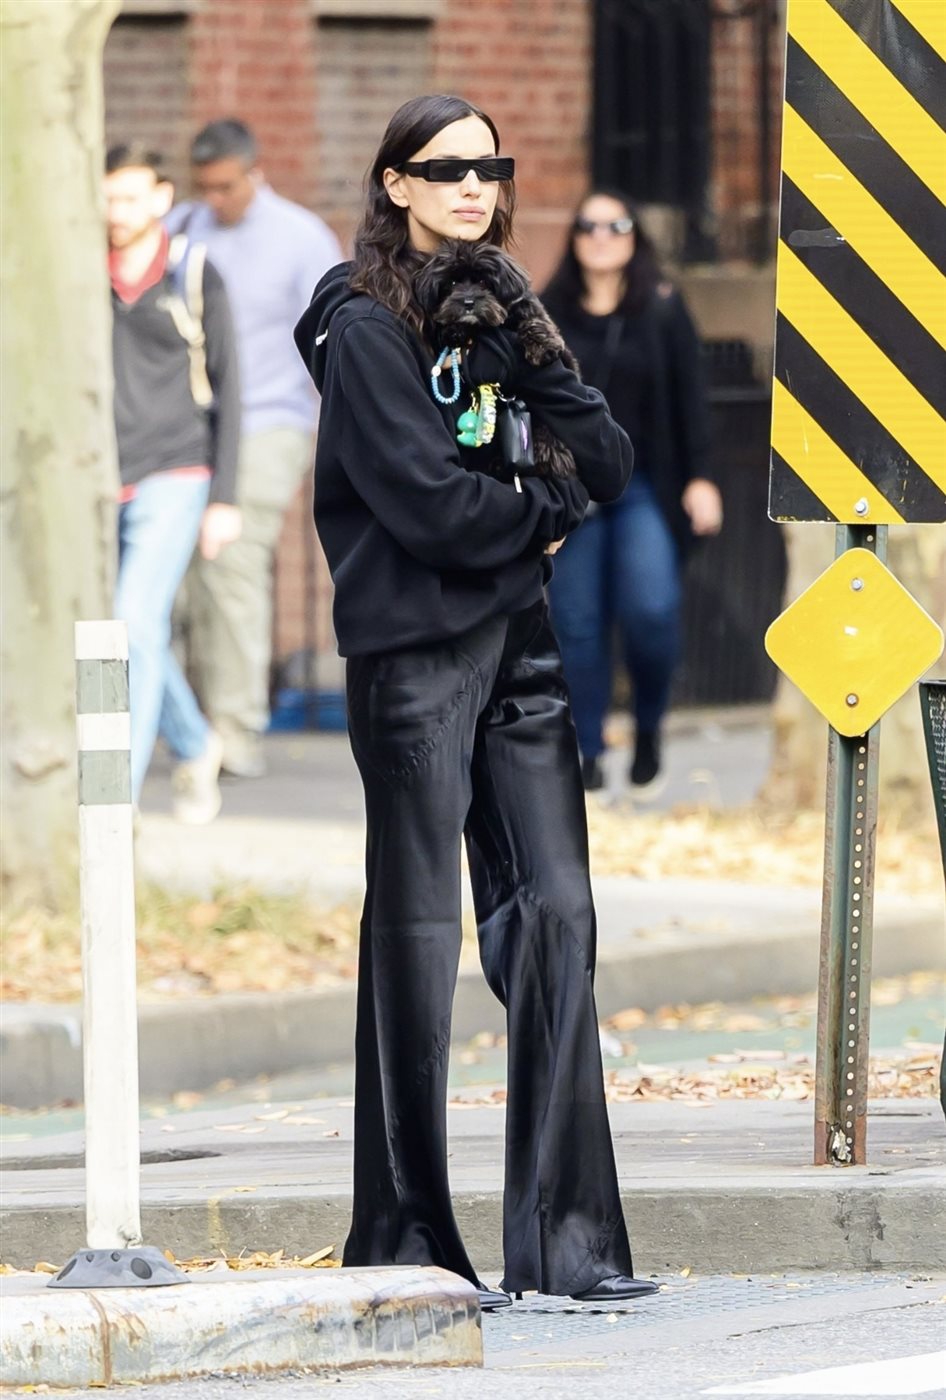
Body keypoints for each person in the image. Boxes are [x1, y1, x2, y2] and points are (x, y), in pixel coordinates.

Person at [293, 94, 659, 1311]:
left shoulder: (501, 305)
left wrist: (538, 352)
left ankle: (569, 1241)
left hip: (521, 650)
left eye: (488, 167)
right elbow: (429, 506)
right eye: (444, 167)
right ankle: (407, 1238)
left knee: (557, 914)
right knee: (415, 934)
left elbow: (607, 462)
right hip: (414, 657)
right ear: (395, 183)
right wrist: (542, 517)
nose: (471, 185)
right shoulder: (361, 327)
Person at [166, 119, 344, 778]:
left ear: (254, 172)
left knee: (233, 566)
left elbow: (333, 338)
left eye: (226, 186)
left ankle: (235, 731)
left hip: (271, 421)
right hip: (189, 426)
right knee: (181, 578)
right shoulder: (181, 228)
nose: (215, 199)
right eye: (205, 187)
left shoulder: (300, 237)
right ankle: (187, 726)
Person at [541, 189, 723, 794]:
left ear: (634, 236)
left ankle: (648, 726)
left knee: (652, 609)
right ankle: (588, 750)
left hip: (645, 485)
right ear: (573, 237)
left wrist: (701, 477)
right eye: (588, 226)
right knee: (577, 621)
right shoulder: (546, 311)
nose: (601, 236)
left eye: (616, 225)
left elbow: (693, 398)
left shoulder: (663, 308)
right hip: (574, 491)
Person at [106, 143, 241, 823]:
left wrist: (225, 498)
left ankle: (118, 803)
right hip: (103, 475)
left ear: (161, 198)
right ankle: (194, 741)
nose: (116, 212)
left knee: (133, 621)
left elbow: (230, 386)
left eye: (130, 197)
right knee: (133, 630)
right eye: (107, 198)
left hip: (178, 468)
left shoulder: (192, 270)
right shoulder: (81, 271)